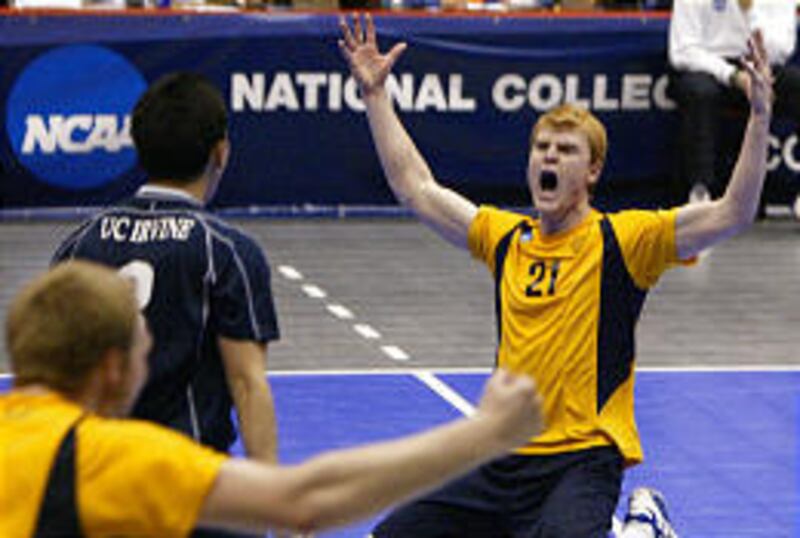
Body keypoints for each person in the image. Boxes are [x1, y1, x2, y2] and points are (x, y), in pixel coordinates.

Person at [339, 13, 772, 537]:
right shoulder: (505, 237)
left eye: (566, 150)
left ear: (591, 172)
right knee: (394, 535)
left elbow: (733, 213)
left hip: (582, 458)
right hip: (503, 455)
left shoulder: (624, 241)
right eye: (542, 147)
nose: (549, 155)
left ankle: (641, 528)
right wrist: (375, 96)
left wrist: (759, 117)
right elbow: (417, 188)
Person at [0, 260, 544, 537]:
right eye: (145, 350)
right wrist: (485, 434)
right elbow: (302, 499)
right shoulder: (105, 457)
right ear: (113, 368)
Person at [52, 73, 279, 467]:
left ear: (138, 148)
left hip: (96, 475)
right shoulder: (226, 252)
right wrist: (277, 506)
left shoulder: (77, 246)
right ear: (220, 152)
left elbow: (54, 380)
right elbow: (247, 383)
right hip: (187, 481)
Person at [668, 0, 800, 218]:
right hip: (706, 66)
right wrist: (731, 75)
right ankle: (700, 191)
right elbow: (683, 51)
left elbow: (781, 50)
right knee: (700, 92)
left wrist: (749, 11)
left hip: (759, 63)